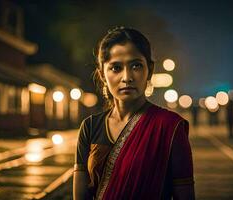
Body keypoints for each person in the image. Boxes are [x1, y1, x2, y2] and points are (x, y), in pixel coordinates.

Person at [73, 27, 195, 200]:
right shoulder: (90, 127)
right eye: (116, 68)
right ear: (102, 74)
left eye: (136, 65)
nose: (127, 77)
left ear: (150, 70)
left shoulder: (170, 127)